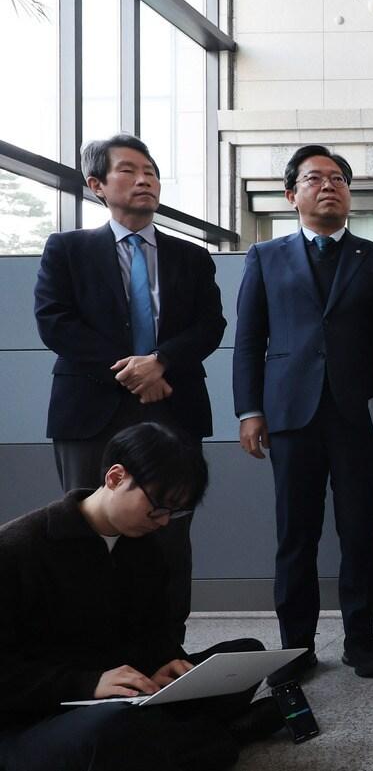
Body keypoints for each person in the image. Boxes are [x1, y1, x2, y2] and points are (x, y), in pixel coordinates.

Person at [0, 423, 285, 771]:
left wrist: (165, 662)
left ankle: (190, 741)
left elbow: (149, 630)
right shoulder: (17, 550)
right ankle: (216, 738)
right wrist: (88, 684)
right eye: (158, 508)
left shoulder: (143, 548)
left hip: (123, 697)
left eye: (174, 512)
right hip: (35, 718)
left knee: (244, 656)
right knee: (112, 727)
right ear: (116, 477)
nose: (164, 522)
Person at [33, 134, 226, 646]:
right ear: (96, 185)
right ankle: (90, 650)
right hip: (90, 410)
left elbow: (210, 325)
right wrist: (131, 371)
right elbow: (55, 323)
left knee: (170, 537)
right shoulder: (68, 249)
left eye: (152, 171)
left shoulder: (191, 255)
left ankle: (166, 648)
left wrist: (160, 362)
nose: (145, 180)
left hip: (173, 407)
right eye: (129, 170)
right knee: (89, 530)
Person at [232, 145, 373, 683]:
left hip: (357, 414)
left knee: (360, 531)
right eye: (314, 179)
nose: (328, 186)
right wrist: (249, 410)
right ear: (291, 195)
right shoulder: (265, 256)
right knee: (295, 535)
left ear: (349, 194)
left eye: (338, 179)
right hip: (289, 413)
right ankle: (295, 648)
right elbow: (249, 339)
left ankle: (360, 640)